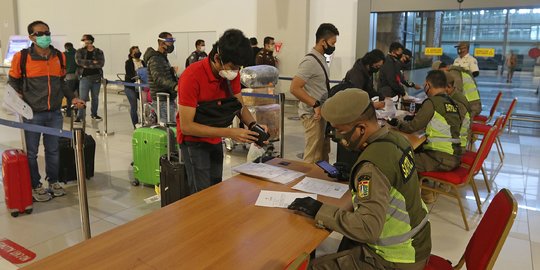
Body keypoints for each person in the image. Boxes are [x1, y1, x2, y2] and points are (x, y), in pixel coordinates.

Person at [288, 89, 431, 270]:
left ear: (361, 128)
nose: (337, 138)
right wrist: (354, 176)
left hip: (395, 259)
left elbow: (367, 229)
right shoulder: (398, 140)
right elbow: (392, 182)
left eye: (340, 131)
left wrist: (319, 210)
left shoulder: (370, 169)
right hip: (417, 243)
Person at [177, 29, 265, 195]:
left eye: (239, 68)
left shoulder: (232, 74)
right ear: (217, 58)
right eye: (233, 67)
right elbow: (187, 126)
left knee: (216, 187)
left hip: (215, 137)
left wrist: (254, 126)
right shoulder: (191, 76)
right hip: (194, 142)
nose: (235, 72)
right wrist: (230, 132)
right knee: (200, 195)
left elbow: (239, 105)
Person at [8, 20, 85, 202]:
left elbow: (62, 82)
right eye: (40, 33)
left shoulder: (59, 56)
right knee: (32, 152)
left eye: (47, 33)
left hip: (54, 112)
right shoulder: (22, 57)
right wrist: (18, 95)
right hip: (32, 113)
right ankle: (36, 185)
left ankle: (54, 181)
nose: (45, 36)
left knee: (53, 150)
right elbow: (13, 80)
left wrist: (73, 97)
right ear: (31, 37)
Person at [391, 70, 463, 173]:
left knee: (397, 162)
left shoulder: (432, 102)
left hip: (439, 157)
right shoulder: (452, 103)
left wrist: (397, 123)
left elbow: (412, 127)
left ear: (428, 85)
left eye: (425, 84)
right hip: (455, 156)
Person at [290, 23, 339, 163]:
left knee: (323, 153)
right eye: (332, 43)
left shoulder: (321, 58)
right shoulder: (310, 61)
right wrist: (315, 104)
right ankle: (307, 183)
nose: (334, 46)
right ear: (323, 42)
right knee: (313, 156)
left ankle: (322, 181)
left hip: (322, 113)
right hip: (313, 115)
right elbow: (294, 88)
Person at [143, 32, 178, 124]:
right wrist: (175, 86)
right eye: (170, 41)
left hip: (167, 99)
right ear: (162, 43)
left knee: (171, 127)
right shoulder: (155, 59)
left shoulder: (162, 58)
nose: (172, 44)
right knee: (166, 128)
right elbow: (158, 78)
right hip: (162, 100)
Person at [75, 34, 105, 122]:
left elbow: (101, 64)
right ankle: (80, 116)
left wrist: (86, 64)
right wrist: (93, 62)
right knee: (82, 98)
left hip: (97, 78)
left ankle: (94, 114)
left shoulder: (99, 51)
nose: (82, 41)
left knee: (95, 98)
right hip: (84, 78)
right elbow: (78, 62)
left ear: (90, 41)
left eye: (84, 39)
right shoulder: (79, 51)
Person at [124, 46, 146, 128]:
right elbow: (129, 74)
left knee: (145, 105)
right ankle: (135, 125)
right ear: (131, 54)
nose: (137, 52)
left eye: (138, 51)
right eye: (135, 51)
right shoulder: (128, 62)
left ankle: (145, 122)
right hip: (131, 86)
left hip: (142, 86)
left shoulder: (143, 62)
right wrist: (138, 76)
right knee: (134, 106)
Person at [64, 42, 78, 117]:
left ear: (66, 47)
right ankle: (77, 111)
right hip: (78, 76)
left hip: (69, 76)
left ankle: (69, 112)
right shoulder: (77, 53)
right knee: (77, 95)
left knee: (69, 95)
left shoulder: (64, 54)